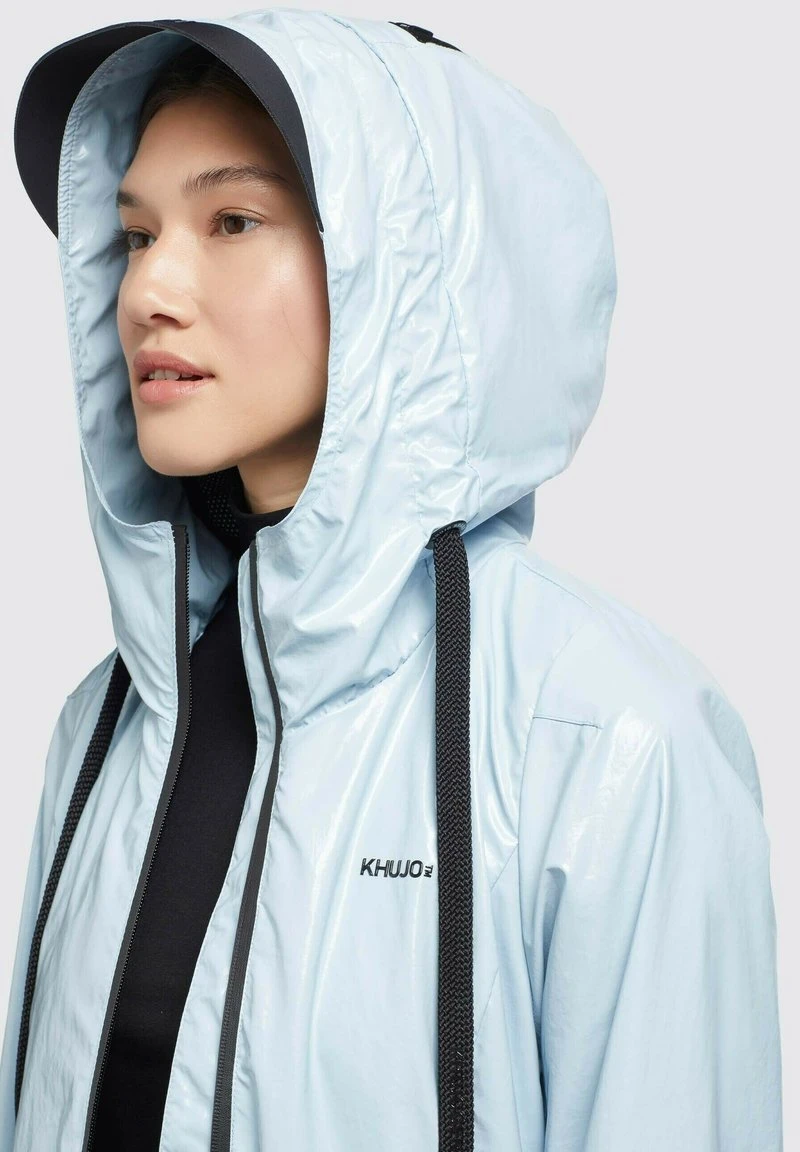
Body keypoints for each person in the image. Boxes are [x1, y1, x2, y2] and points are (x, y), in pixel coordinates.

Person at [1, 11, 783, 1152]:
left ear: (413, 278)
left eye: (232, 220)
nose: (147, 289)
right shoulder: (108, 719)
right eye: (133, 235)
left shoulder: (606, 739)